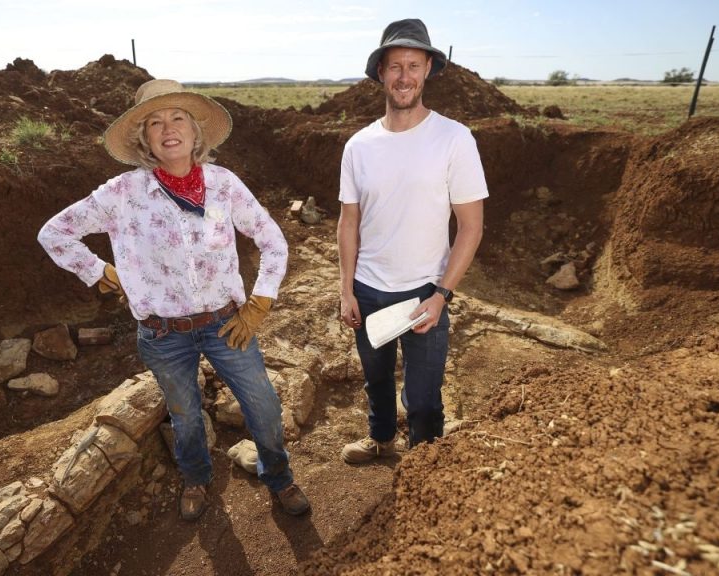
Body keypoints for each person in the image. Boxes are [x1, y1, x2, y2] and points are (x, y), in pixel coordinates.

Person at [38, 79, 309, 518]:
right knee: (185, 416)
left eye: (178, 118)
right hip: (163, 334)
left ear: (195, 130)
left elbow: (272, 239)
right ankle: (196, 479)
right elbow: (54, 233)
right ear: (143, 138)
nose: (168, 129)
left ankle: (279, 477)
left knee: (263, 405)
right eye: (155, 122)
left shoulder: (223, 184)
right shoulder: (122, 193)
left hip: (227, 324)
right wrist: (101, 273)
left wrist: (260, 302)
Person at [337, 19, 488, 463]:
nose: (404, 76)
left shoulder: (454, 139)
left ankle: (424, 466)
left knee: (423, 399)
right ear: (381, 73)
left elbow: (472, 226)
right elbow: (348, 222)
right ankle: (381, 439)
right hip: (368, 288)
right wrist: (346, 290)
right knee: (377, 379)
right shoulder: (358, 146)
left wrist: (442, 294)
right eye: (395, 66)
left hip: (425, 292)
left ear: (428, 71)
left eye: (414, 66)